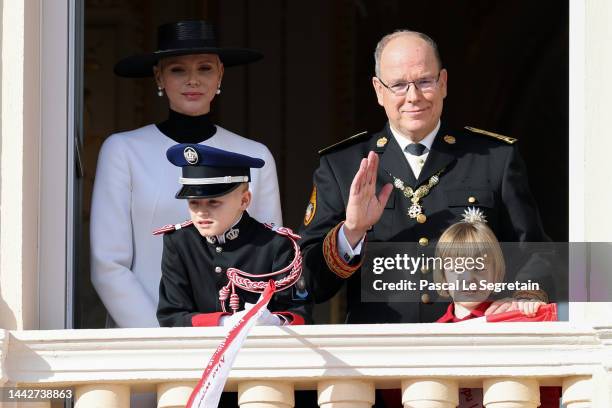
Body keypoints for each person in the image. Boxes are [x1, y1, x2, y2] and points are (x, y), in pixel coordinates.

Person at [300, 29, 550, 325]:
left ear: (443, 82)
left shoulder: (493, 158)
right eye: (399, 85)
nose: (413, 97)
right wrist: (351, 232)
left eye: (424, 81)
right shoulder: (343, 165)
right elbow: (309, 284)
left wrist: (523, 297)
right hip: (378, 354)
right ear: (379, 91)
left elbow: (537, 252)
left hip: (471, 343)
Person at [90, 20, 282, 328]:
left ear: (220, 73)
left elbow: (269, 260)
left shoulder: (255, 156)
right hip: (144, 340)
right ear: (159, 76)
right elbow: (108, 264)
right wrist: (163, 339)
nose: (192, 80)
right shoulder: (123, 150)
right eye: (178, 69)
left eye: (204, 68)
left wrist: (235, 330)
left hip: (232, 341)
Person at [156, 143, 311, 327]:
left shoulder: (276, 245)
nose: (201, 213)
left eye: (214, 202)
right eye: (194, 203)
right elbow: (171, 316)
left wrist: (274, 322)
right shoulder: (179, 242)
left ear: (244, 200)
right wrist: (223, 322)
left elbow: (300, 315)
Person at [433, 213, 561, 408]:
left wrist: (534, 314)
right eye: (457, 267)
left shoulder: (514, 317)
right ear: (443, 274)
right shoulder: (433, 333)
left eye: (480, 267)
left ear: (496, 274)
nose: (468, 278)